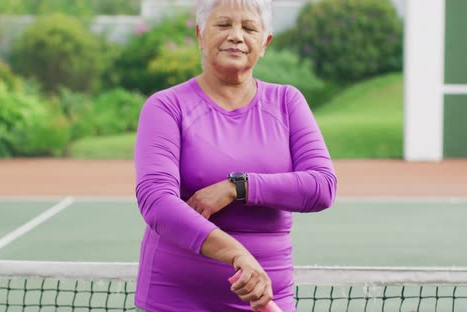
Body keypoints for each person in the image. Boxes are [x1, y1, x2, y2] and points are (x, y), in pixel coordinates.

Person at [133, 0, 337, 311]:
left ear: (264, 43)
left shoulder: (287, 102)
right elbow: (156, 202)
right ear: (201, 35)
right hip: (175, 299)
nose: (236, 36)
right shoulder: (166, 106)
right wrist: (237, 254)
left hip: (265, 300)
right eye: (224, 25)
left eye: (249, 28)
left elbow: (321, 187)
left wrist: (238, 187)